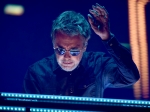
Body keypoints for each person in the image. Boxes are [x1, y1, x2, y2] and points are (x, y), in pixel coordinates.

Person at [23, 3, 140, 97]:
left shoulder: (98, 65)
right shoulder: (36, 73)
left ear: (85, 46)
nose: (67, 57)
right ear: (53, 43)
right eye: (60, 50)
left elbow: (131, 77)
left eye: (74, 51)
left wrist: (107, 38)